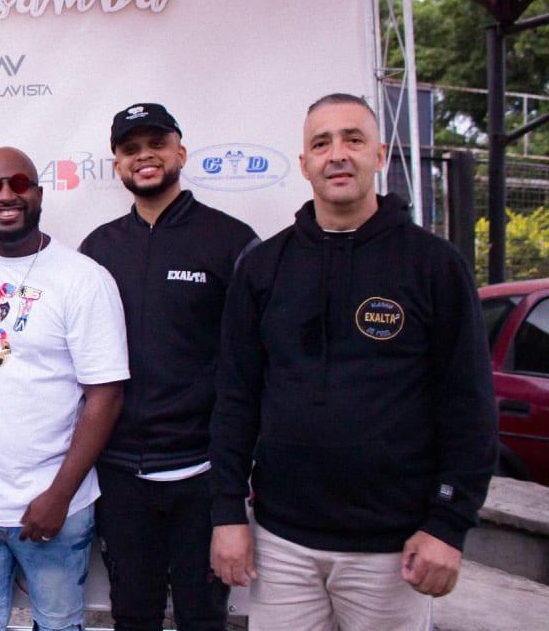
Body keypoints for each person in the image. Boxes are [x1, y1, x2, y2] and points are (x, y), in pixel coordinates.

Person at [209, 93, 498, 631]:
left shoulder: (434, 265)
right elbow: (235, 399)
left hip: (393, 549)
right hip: (281, 543)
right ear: (304, 164)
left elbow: (469, 406)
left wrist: (448, 523)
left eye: (353, 139)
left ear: (379, 155)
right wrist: (227, 512)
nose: (337, 154)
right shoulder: (264, 266)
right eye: (321, 143)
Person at [0, 146, 129, 631]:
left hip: (54, 506)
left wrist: (59, 495)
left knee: (59, 626)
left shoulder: (84, 279)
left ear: (39, 193)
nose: (6, 195)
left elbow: (107, 396)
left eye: (18, 183)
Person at [79, 103, 258, 631]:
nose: (145, 157)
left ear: (180, 152)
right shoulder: (97, 248)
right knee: (133, 618)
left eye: (156, 144)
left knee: (203, 620)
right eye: (131, 149)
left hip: (203, 475)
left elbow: (256, 365)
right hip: (120, 477)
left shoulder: (231, 241)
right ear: (117, 164)